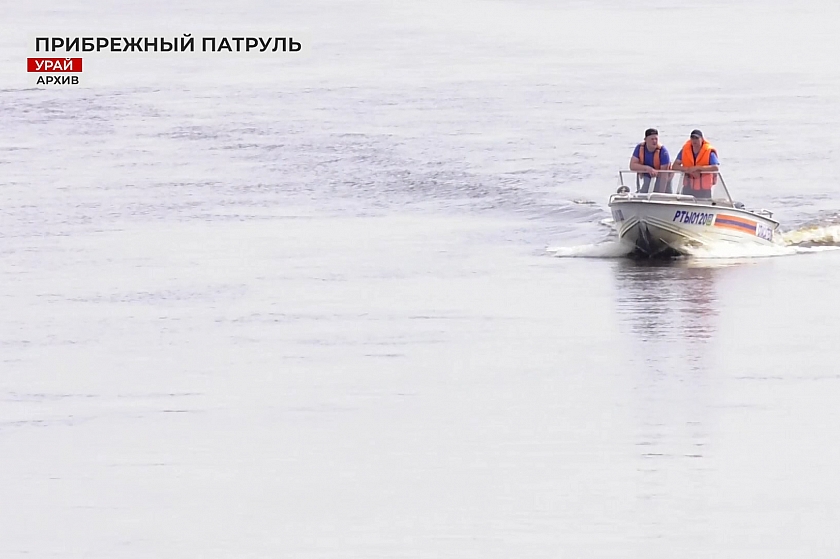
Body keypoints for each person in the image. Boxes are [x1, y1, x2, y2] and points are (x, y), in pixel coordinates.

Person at [672, 129, 719, 198]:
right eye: (692, 138)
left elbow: (715, 168)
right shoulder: (685, 150)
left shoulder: (709, 152)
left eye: (697, 138)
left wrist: (698, 168)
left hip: (704, 189)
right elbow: (674, 166)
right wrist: (688, 170)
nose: (694, 140)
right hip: (688, 187)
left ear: (702, 139)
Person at [629, 128, 671, 193]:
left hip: (664, 178)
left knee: (665, 193)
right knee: (645, 191)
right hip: (647, 175)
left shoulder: (663, 152)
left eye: (656, 139)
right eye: (652, 139)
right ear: (645, 140)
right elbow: (632, 166)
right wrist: (647, 168)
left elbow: (664, 175)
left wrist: (661, 193)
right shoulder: (639, 148)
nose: (654, 141)